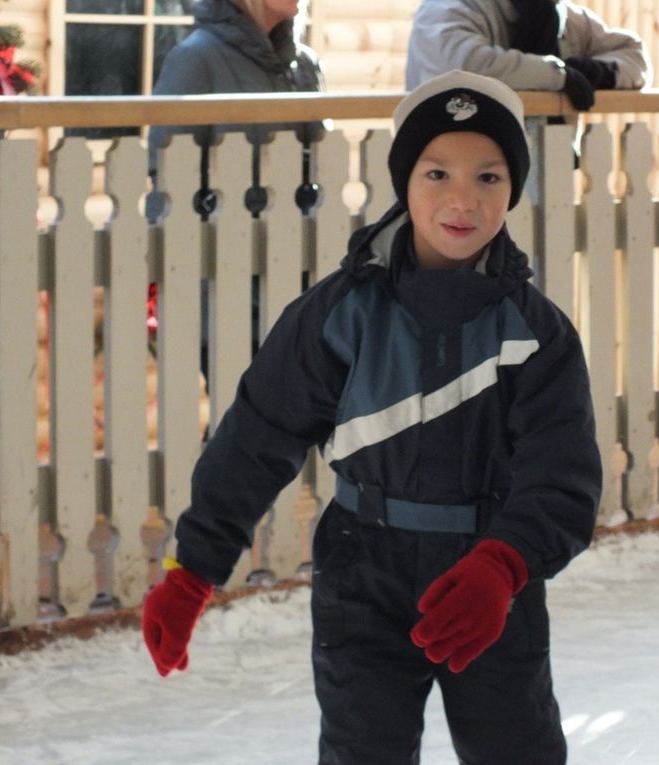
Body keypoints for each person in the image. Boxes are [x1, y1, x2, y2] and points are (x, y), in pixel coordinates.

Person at [141, 69, 603, 764]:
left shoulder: (535, 334)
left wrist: (504, 566)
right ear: (403, 180)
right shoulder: (342, 315)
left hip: (487, 584)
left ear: (515, 188)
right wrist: (192, 568)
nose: (462, 200)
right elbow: (258, 434)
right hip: (363, 575)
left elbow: (562, 478)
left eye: (489, 177)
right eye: (437, 172)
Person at [146, 0, 327, 377]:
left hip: (299, 292)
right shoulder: (195, 60)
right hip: (226, 297)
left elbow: (323, 173)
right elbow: (168, 185)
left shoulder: (305, 65)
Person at [405, 0, 651, 111]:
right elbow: (464, 66)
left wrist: (594, 73)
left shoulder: (564, 17)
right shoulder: (449, 7)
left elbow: (636, 59)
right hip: (451, 176)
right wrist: (560, 76)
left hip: (550, 170)